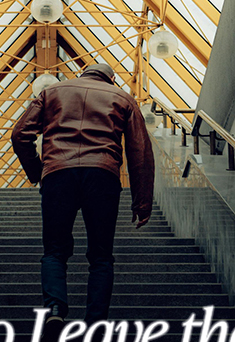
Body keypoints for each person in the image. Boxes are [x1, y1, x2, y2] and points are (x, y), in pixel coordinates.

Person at [10, 62, 155, 325]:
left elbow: (20, 135)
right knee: (101, 255)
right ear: (111, 78)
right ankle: (96, 323)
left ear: (84, 72)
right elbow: (140, 153)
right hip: (102, 175)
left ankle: (54, 310)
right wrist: (142, 202)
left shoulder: (51, 92)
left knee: (54, 250)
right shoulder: (123, 98)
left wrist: (38, 171)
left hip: (58, 173)